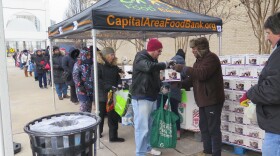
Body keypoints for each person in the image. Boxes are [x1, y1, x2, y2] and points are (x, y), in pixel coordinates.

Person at [173, 37, 225, 156]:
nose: (192, 51)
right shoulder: (198, 61)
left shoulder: (212, 58)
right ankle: (207, 151)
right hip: (202, 100)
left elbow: (202, 74)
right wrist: (179, 83)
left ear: (201, 48)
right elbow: (193, 79)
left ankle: (216, 154)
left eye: (194, 48)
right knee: (204, 128)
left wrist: (183, 69)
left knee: (213, 129)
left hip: (212, 100)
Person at [239, 12, 280, 156]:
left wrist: (250, 93)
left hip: (277, 128)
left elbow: (274, 90)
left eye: (269, 33)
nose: (267, 37)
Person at [130, 38, 173, 156]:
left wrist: (161, 87)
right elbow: (148, 67)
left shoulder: (153, 61)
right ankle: (140, 153)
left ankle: (148, 147)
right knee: (142, 128)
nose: (160, 53)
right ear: (153, 50)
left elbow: (154, 78)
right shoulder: (140, 58)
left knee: (150, 126)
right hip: (141, 97)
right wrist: (164, 64)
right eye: (159, 51)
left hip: (152, 97)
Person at [96, 47, 124, 142]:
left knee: (113, 116)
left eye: (113, 54)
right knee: (100, 115)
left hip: (113, 94)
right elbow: (97, 80)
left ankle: (113, 136)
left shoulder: (114, 66)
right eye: (111, 54)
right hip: (102, 95)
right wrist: (109, 87)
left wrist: (119, 84)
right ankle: (98, 133)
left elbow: (117, 77)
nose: (113, 56)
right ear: (106, 55)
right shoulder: (98, 66)